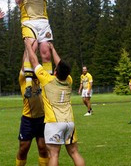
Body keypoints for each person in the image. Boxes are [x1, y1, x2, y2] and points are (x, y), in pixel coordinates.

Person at [24, 38, 85, 166]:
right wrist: (52, 49)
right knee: (74, 152)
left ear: (55, 72)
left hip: (54, 122)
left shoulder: (47, 80)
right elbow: (62, 66)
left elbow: (34, 61)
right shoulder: (69, 80)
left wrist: (29, 46)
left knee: (53, 154)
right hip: (69, 122)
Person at [14, 0, 55, 98]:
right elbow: (17, 0)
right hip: (28, 21)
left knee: (46, 53)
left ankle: (46, 85)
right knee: (32, 47)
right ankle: (29, 84)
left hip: (43, 21)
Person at [16, 64, 48, 166]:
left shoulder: (42, 80)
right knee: (23, 149)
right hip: (28, 120)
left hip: (42, 119)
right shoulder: (24, 80)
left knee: (43, 149)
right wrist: (29, 48)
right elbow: (25, 62)